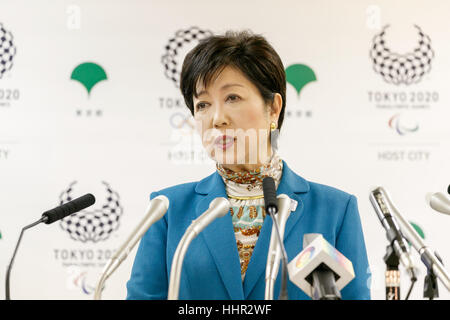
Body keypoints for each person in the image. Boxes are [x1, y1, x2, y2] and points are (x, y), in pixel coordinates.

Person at [126, 30, 371, 300]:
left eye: (232, 98)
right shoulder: (168, 210)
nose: (217, 118)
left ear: (273, 109)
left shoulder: (334, 210)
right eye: (203, 104)